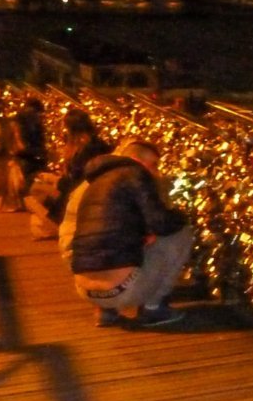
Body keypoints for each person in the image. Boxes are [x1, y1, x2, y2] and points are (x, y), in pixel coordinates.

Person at [66, 139, 191, 328]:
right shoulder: (136, 174)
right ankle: (153, 308)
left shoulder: (94, 183)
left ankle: (106, 312)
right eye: (154, 165)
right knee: (179, 233)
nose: (156, 172)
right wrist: (182, 215)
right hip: (122, 290)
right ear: (138, 160)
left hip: (85, 290)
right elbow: (161, 223)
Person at [28, 107, 110, 238]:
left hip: (78, 197)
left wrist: (55, 180)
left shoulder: (89, 150)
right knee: (36, 190)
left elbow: (76, 183)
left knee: (33, 196)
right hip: (75, 192)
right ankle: (50, 225)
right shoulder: (90, 145)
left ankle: (55, 225)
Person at [0, 97, 48, 212]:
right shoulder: (29, 121)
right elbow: (22, 146)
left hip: (15, 157)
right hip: (23, 157)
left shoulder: (15, 120)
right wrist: (39, 152)